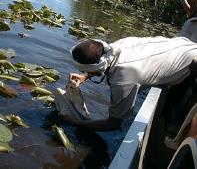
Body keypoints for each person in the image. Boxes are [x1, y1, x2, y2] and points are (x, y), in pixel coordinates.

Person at [64, 36, 197, 132]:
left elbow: (113, 124)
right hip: (182, 45)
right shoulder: (115, 47)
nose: (82, 72)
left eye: (83, 70)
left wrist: (77, 123)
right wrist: (85, 76)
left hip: (193, 60)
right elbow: (101, 64)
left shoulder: (123, 80)